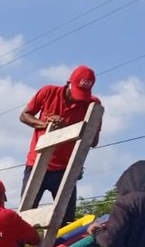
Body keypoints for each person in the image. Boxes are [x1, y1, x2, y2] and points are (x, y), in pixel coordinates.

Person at [18, 65, 102, 219]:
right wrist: (46, 124)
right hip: (37, 164)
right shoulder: (48, 92)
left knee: (66, 219)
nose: (78, 98)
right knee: (25, 217)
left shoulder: (93, 105)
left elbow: (94, 142)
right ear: (68, 83)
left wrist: (74, 129)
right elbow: (24, 116)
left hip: (65, 169)